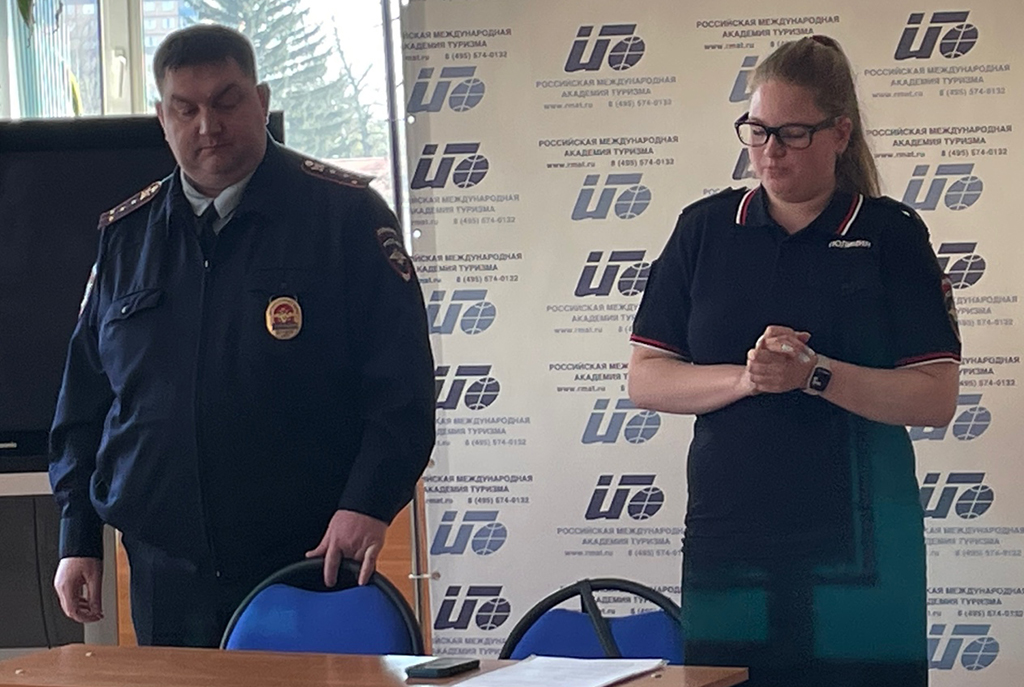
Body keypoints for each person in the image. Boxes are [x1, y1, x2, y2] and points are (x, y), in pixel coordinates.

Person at [48, 24, 435, 647]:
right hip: (166, 574)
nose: (208, 126)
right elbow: (84, 405)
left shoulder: (346, 217)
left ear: (261, 100)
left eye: (226, 102)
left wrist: (368, 503)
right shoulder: (127, 237)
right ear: (162, 118)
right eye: (186, 109)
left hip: (308, 559)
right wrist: (77, 536)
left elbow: (403, 388)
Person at [628, 36, 959, 687]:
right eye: (757, 130)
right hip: (732, 537)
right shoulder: (704, 228)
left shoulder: (891, 234)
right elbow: (646, 377)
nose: (770, 150)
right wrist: (749, 378)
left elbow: (935, 396)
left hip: (865, 536)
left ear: (840, 133)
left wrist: (814, 374)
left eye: (792, 134)